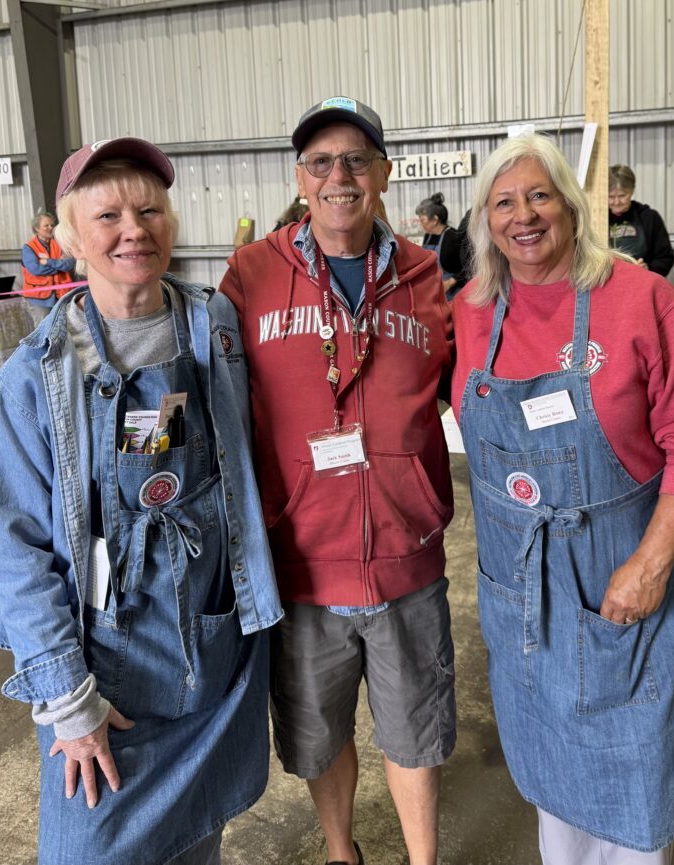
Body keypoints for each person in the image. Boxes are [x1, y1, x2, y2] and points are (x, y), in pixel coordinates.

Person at [0, 137, 282, 865]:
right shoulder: (33, 378)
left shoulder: (216, 331)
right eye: (109, 213)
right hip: (105, 681)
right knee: (89, 848)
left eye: (150, 209)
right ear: (70, 236)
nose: (133, 229)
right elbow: (20, 550)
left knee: (197, 842)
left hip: (210, 657)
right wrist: (68, 701)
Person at [451, 134, 674, 864]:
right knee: (554, 778)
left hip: (619, 579)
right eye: (504, 202)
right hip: (522, 590)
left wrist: (651, 561)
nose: (524, 216)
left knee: (631, 780)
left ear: (572, 206)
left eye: (539, 195)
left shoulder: (641, 299)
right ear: (485, 220)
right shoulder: (473, 311)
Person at [220, 96, 455, 865]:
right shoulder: (251, 276)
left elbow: (476, 385)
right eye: (321, 162)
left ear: (384, 173)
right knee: (319, 735)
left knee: (413, 730)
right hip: (303, 561)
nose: (339, 176)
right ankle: (340, 852)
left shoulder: (427, 277)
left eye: (356, 159)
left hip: (403, 556)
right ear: (300, 177)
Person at [608, 163, 674, 276]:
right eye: (611, 197)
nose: (617, 202)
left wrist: (648, 268)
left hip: (641, 283)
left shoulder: (649, 218)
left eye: (622, 196)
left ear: (632, 191)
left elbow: (665, 258)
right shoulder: (595, 220)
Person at [21, 210, 76, 323]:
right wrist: (59, 265)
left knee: (65, 328)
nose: (50, 227)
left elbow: (69, 264)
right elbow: (35, 269)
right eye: (46, 225)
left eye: (52, 225)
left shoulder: (61, 243)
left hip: (62, 295)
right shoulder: (29, 247)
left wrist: (48, 262)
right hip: (39, 299)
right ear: (36, 228)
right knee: (44, 330)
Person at [415, 192, 463, 299]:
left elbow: (469, 268)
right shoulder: (428, 236)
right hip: (433, 295)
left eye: (422, 220)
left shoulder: (453, 237)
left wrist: (450, 282)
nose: (420, 223)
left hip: (453, 297)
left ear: (435, 220)